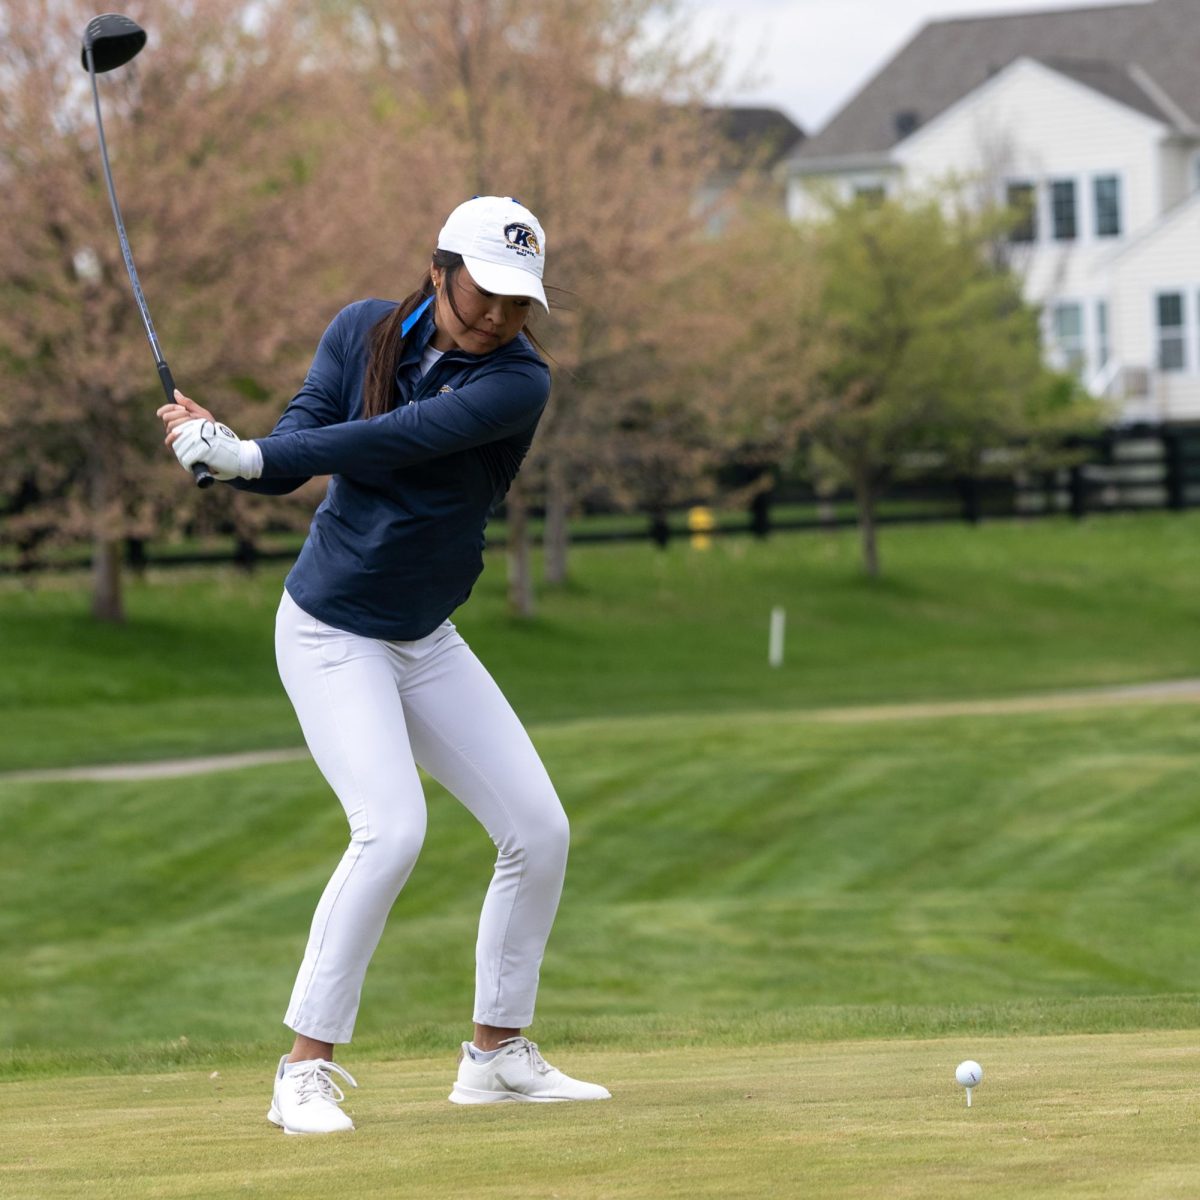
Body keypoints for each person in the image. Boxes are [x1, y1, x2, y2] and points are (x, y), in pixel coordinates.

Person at [158, 196, 610, 1135]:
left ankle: (494, 1055)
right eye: (484, 294)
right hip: (330, 631)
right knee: (392, 829)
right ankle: (302, 1071)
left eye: (517, 303)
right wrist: (229, 454)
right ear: (439, 270)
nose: (498, 317)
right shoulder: (362, 331)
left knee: (541, 830)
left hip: (424, 636)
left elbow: (397, 443)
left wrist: (249, 453)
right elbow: (299, 448)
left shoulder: (519, 384)